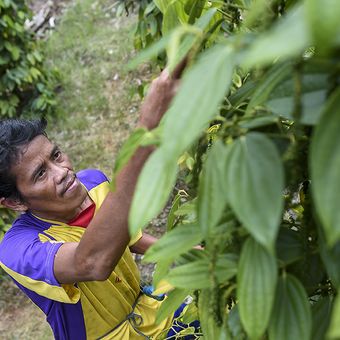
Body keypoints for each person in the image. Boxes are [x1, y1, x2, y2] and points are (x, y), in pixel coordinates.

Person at [0, 63, 199, 339]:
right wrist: (148, 127)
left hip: (148, 313)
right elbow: (91, 262)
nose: (63, 173)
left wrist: (180, 250)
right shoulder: (18, 251)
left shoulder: (93, 182)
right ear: (14, 202)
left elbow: (124, 235)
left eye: (56, 155)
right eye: (40, 174)